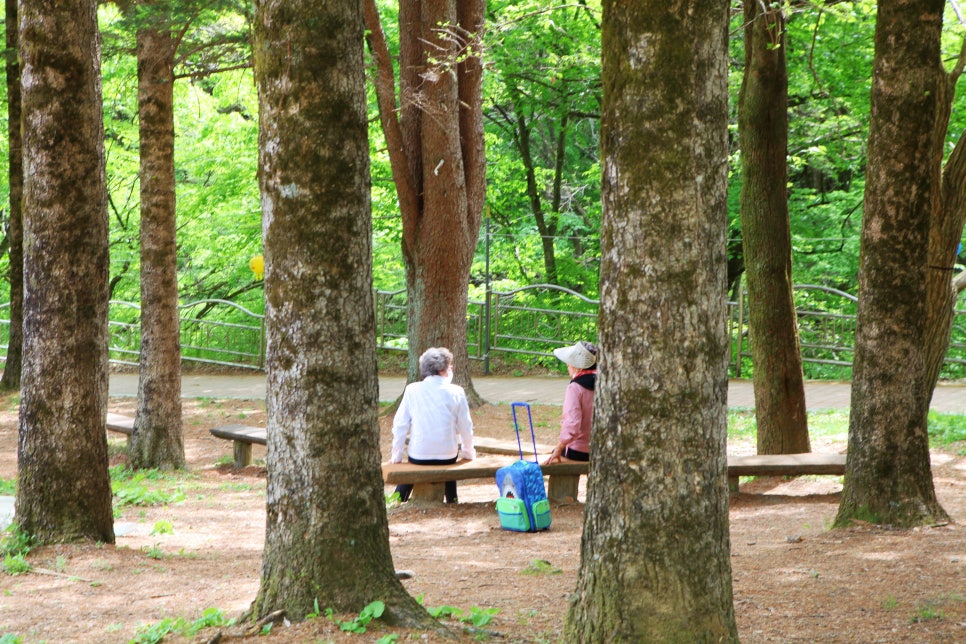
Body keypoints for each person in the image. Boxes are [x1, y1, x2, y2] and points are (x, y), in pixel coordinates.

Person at [390, 347, 475, 503]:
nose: (452, 369)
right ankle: (452, 500)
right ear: (443, 369)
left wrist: (396, 456)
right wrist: (468, 453)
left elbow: (400, 424)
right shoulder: (457, 391)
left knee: (413, 463)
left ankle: (397, 500)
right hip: (448, 456)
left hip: (418, 455)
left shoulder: (412, 389)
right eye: (450, 366)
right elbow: (465, 426)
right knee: (448, 462)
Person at [544, 340, 597, 465]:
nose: (568, 365)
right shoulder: (605, 383)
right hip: (600, 449)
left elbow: (572, 425)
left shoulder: (575, 388)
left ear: (577, 366)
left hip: (578, 452)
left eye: (570, 362)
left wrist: (559, 448)